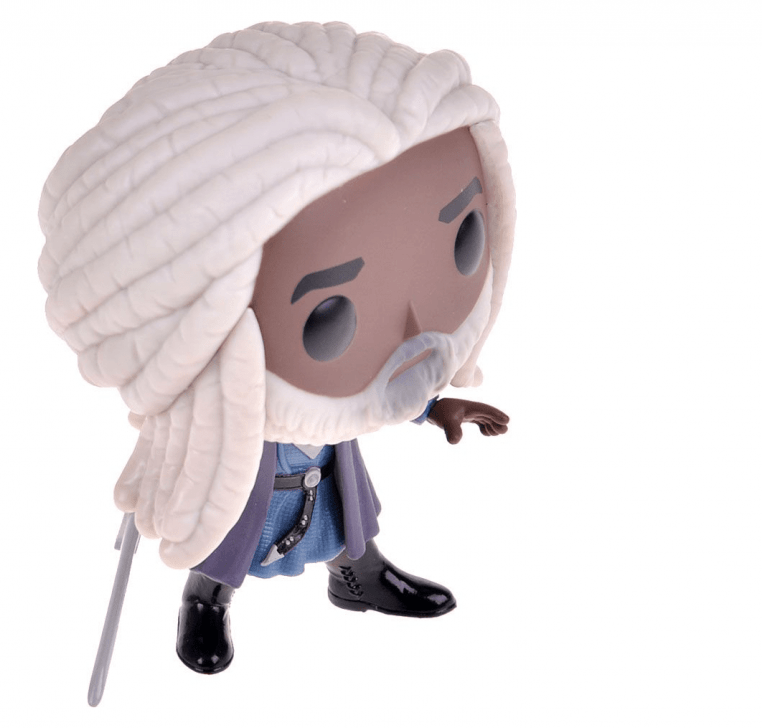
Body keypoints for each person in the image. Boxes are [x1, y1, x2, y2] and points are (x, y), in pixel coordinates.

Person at [38, 21, 516, 675]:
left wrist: (437, 408)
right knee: (227, 542)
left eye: (466, 237)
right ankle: (205, 603)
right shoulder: (222, 404)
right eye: (327, 315)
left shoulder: (358, 391)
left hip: (327, 468)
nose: (410, 325)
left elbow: (399, 378)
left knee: (349, 526)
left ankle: (358, 578)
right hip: (253, 481)